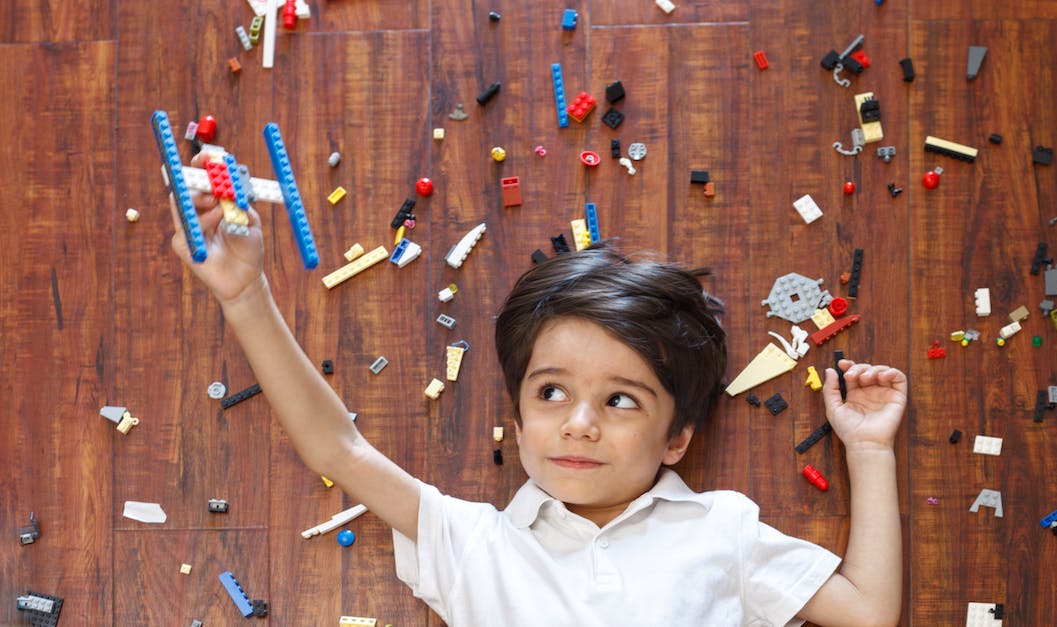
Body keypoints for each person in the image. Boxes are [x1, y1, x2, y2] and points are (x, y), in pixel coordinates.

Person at [169, 152, 906, 627]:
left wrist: (869, 449)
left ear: (677, 435)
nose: (579, 423)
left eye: (621, 400)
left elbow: (869, 612)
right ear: (517, 422)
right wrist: (245, 295)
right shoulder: (472, 543)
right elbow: (339, 445)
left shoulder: (722, 532)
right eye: (551, 393)